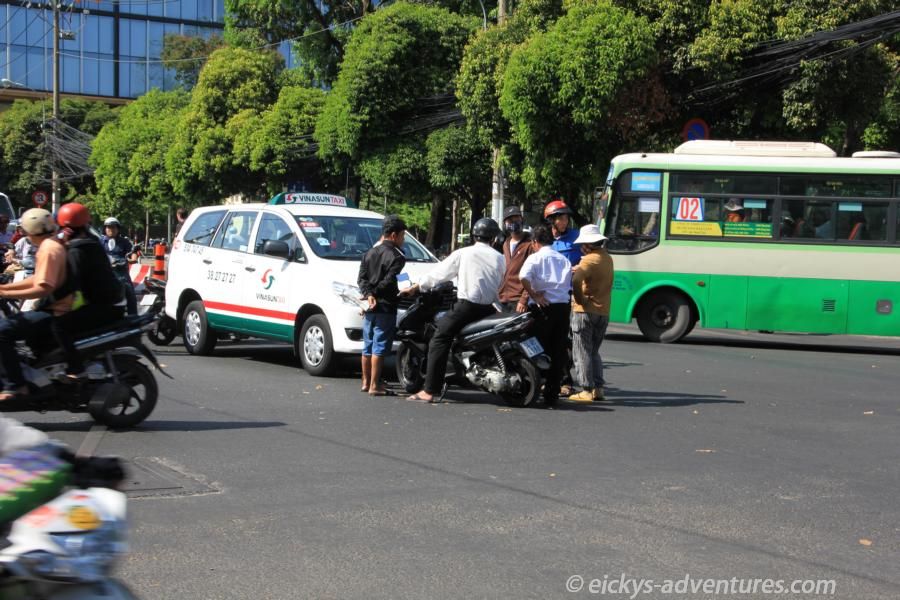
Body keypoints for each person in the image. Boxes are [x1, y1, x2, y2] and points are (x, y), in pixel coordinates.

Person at [401, 218, 505, 403]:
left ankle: (430, 390)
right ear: (494, 238)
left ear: (474, 235)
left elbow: (438, 274)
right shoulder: (499, 257)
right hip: (490, 309)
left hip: (467, 307)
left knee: (439, 338)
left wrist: (416, 287)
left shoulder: (464, 253)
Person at [0, 209, 72, 401]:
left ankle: (16, 385)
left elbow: (42, 287)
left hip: (55, 311)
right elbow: (35, 279)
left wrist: (5, 292)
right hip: (52, 308)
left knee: (2, 332)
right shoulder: (51, 244)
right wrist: (4, 289)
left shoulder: (49, 249)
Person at [51, 203, 126, 379]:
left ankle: (76, 369)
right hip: (108, 302)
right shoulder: (91, 243)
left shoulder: (78, 250)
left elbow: (71, 284)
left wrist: (48, 301)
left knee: (57, 325)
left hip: (104, 306)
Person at [519, 224, 572, 405]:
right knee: (558, 351)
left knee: (534, 349)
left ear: (535, 242)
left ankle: (534, 384)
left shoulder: (535, 258)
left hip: (542, 308)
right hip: (563, 309)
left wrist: (534, 294)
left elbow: (523, 277)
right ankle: (552, 393)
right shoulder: (563, 259)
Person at [357, 215, 407, 397]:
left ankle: (365, 381)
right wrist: (376, 294)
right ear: (393, 235)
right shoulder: (397, 257)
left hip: (369, 307)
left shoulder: (368, 253)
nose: (403, 240)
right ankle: (375, 385)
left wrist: (369, 295)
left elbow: (361, 279)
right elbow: (389, 281)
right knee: (379, 346)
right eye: (402, 236)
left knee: (368, 345)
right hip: (386, 306)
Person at [566, 224, 614, 403]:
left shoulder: (588, 260)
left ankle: (586, 389)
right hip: (603, 311)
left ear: (588, 244)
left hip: (585, 311)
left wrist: (579, 300)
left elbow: (577, 280)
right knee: (594, 351)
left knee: (582, 351)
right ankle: (598, 388)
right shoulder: (607, 258)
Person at [498, 205, 535, 313]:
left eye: (516, 219)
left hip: (519, 300)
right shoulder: (506, 243)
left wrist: (524, 299)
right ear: (505, 224)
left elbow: (533, 274)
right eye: (510, 220)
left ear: (522, 220)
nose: (513, 222)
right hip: (504, 298)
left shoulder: (530, 243)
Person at [100, 217, 138, 315]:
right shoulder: (100, 242)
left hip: (122, 274)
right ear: (105, 229)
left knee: (131, 295)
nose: (111, 230)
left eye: (113, 227)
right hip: (106, 274)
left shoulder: (124, 242)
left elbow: (132, 252)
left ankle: (133, 317)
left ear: (118, 229)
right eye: (108, 227)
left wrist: (133, 258)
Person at [544, 199, 580, 268]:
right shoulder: (543, 239)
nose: (565, 222)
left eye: (566, 218)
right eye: (561, 219)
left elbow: (588, 257)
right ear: (551, 220)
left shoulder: (577, 236)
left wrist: (580, 266)